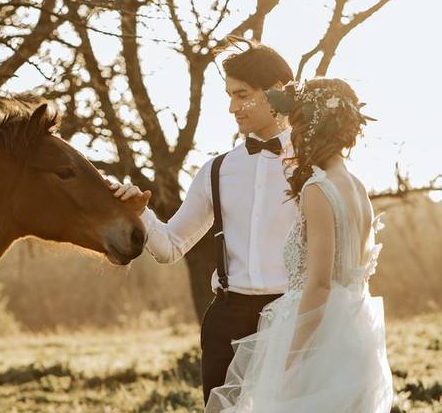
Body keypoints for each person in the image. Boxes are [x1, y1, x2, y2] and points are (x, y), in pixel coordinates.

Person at [111, 38, 301, 403]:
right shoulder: (216, 170)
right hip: (226, 324)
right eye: (228, 95)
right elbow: (170, 247)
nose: (232, 108)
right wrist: (139, 213)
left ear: (276, 92)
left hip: (293, 321)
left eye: (241, 94)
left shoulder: (314, 166)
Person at [204, 78, 392, 411]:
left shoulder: (318, 190)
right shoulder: (358, 188)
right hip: (352, 336)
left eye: (297, 127)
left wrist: (291, 359)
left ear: (311, 129)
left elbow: (318, 284)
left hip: (315, 338)